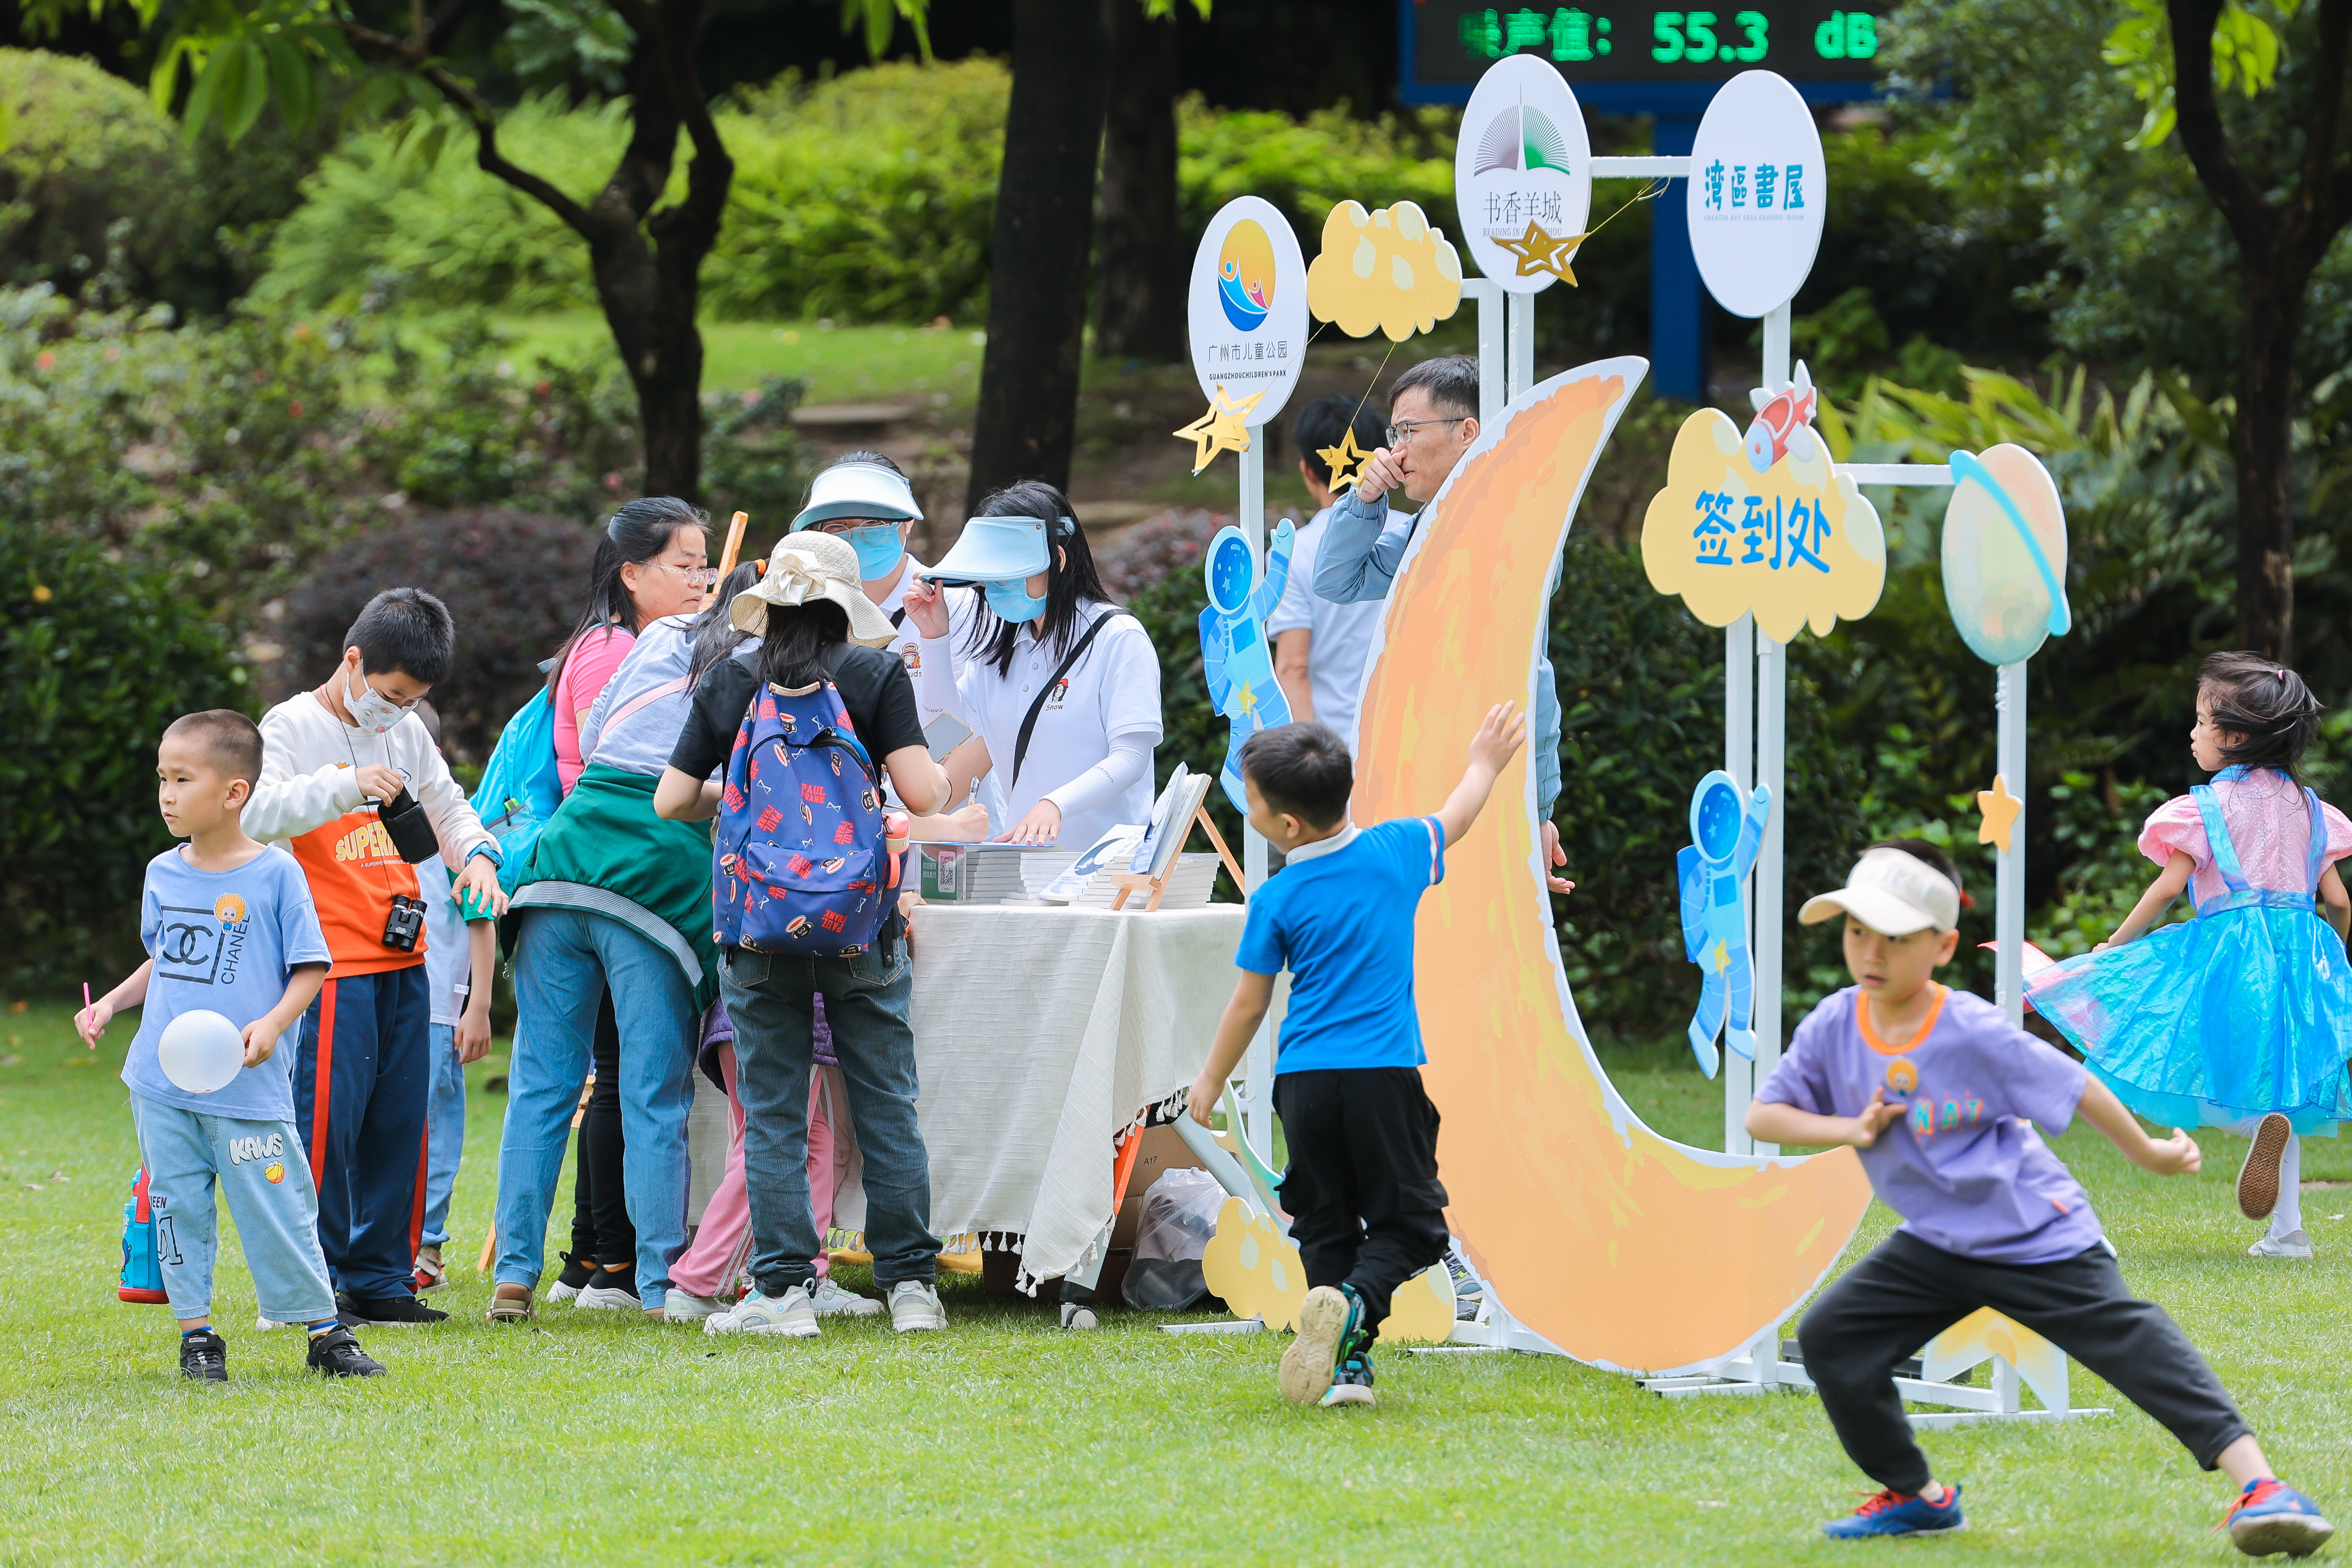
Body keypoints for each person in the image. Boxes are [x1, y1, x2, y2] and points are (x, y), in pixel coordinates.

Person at [1749, 841, 2334, 1553]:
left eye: (1895, 937)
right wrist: (1850, 1128)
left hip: (2032, 1233)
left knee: (2136, 1349)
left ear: (1942, 947)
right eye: (1856, 930)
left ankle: (2264, 1487)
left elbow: (2073, 1084)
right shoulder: (1834, 1024)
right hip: (1937, 1241)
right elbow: (1766, 1114)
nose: (1871, 952)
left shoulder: (1968, 1029)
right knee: (1830, 1338)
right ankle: (1916, 1496)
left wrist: (2148, 1152)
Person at [656, 530, 954, 1338]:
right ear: (845, 604)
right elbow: (925, 795)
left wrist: (738, 799)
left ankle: (783, 1290)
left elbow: (671, 800)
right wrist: (941, 771)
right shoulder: (874, 673)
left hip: (758, 929)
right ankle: (911, 1287)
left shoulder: (731, 678)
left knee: (775, 1113)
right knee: (887, 1104)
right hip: (861, 927)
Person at [1186, 709, 1528, 1409]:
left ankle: (1346, 1365)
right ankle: (1355, 1309)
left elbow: (1249, 1005)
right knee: (1414, 1226)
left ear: (1287, 826)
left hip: (1304, 1086)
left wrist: (1211, 1078)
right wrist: (1485, 763)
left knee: (1326, 1223)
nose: (1247, 805)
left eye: (1252, 799)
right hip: (1381, 1078)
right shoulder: (1397, 850)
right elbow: (1459, 815)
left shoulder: (1276, 897)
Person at [75, 710, 383, 1380]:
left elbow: (311, 966)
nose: (166, 795)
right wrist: (111, 1005)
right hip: (161, 1084)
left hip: (248, 1086)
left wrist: (272, 1024)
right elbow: (163, 959)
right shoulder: (163, 872)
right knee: (177, 1207)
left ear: (234, 792)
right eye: (163, 778)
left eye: (183, 780)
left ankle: (325, 1333)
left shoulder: (277, 875)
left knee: (280, 1206)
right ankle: (198, 1337)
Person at [2026, 652, 2352, 1260]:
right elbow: (2337, 900)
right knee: (2282, 1087)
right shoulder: (2312, 810)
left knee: (2196, 1061)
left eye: (2202, 723)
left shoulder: (2205, 808)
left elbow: (2167, 889)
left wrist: (2115, 944)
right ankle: (2288, 1233)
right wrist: (2335, 958)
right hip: (2301, 955)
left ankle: (2255, 1133)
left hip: (2230, 954)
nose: (2194, 734)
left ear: (2235, 737)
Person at [245, 588, 505, 1328]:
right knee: (323, 1130)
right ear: (353, 660)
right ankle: (310, 1286)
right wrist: (346, 786)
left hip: (404, 956)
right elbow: (253, 812)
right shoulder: (290, 725)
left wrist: (478, 856)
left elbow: (448, 806)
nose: (398, 712)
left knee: (401, 1125)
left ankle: (382, 1278)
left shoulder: (406, 731)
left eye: (414, 701)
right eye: (392, 696)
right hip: (327, 965)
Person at [490, 499, 718, 1322]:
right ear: (632, 572)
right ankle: (657, 1283)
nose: (699, 580)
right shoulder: (729, 657)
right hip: (644, 882)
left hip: (559, 868)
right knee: (654, 1094)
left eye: (705, 569)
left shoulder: (636, 641)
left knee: (541, 1087)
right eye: (685, 565)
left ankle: (513, 1276)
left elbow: (596, 746)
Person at [1312, 355, 1574, 899]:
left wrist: (1538, 807)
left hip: (1490, 785)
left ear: (1467, 432)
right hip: (1424, 779)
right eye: (1394, 434)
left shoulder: (1516, 529)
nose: (1395, 451)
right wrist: (1364, 500)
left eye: (1409, 430)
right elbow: (1335, 580)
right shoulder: (1421, 533)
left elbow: (1532, 678)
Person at [903, 482, 1161, 848]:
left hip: (1108, 867)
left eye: (1008, 574)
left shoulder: (1118, 638)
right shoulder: (996, 655)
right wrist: (934, 637)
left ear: (1058, 560)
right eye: (989, 579)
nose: (995, 589)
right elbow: (946, 728)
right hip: (1025, 866)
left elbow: (1131, 758)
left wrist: (1056, 804)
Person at [790, 450, 1003, 827]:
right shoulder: (808, 615)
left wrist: (913, 795)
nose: (855, 538)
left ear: (907, 524)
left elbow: (976, 722)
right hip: (841, 821)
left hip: (952, 817)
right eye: (838, 526)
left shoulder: (957, 602)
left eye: (874, 524)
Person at [409, 703, 497, 1297]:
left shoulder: (451, 836)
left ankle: (427, 1249)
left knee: (434, 1135)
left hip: (439, 1013)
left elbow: (480, 918)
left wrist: (478, 1007)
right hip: (376, 1007)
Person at [1269, 395, 1393, 756]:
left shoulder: (1291, 553)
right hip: (1409, 738)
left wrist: (1309, 761)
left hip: (1335, 751)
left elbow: (1293, 668)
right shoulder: (1418, 533)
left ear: (1308, 471)